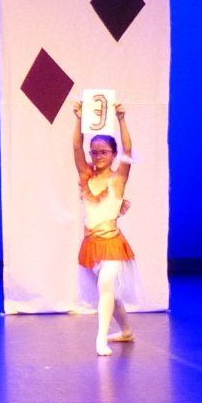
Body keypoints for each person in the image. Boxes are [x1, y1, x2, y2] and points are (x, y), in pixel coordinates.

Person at [71, 98, 136, 356]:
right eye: (94, 152)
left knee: (107, 283)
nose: (98, 156)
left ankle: (101, 339)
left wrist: (122, 119)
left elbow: (129, 150)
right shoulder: (86, 176)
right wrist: (78, 119)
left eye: (104, 152)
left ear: (113, 154)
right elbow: (76, 147)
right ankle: (127, 330)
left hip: (111, 242)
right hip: (91, 245)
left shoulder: (118, 178)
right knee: (108, 290)